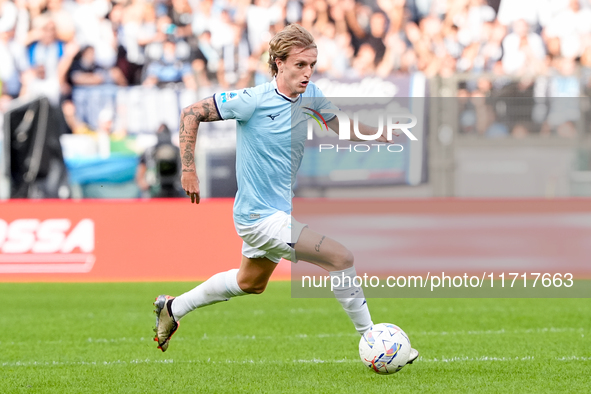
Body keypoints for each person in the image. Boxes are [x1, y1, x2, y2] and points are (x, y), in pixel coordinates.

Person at [152, 24, 419, 365]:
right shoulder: (252, 100)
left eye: (312, 65)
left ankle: (173, 308)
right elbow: (191, 113)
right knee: (341, 258)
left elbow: (343, 126)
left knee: (250, 282)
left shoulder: (311, 97)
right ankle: (377, 342)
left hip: (276, 213)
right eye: (300, 65)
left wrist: (383, 132)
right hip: (258, 217)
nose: (308, 73)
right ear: (278, 63)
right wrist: (188, 169)